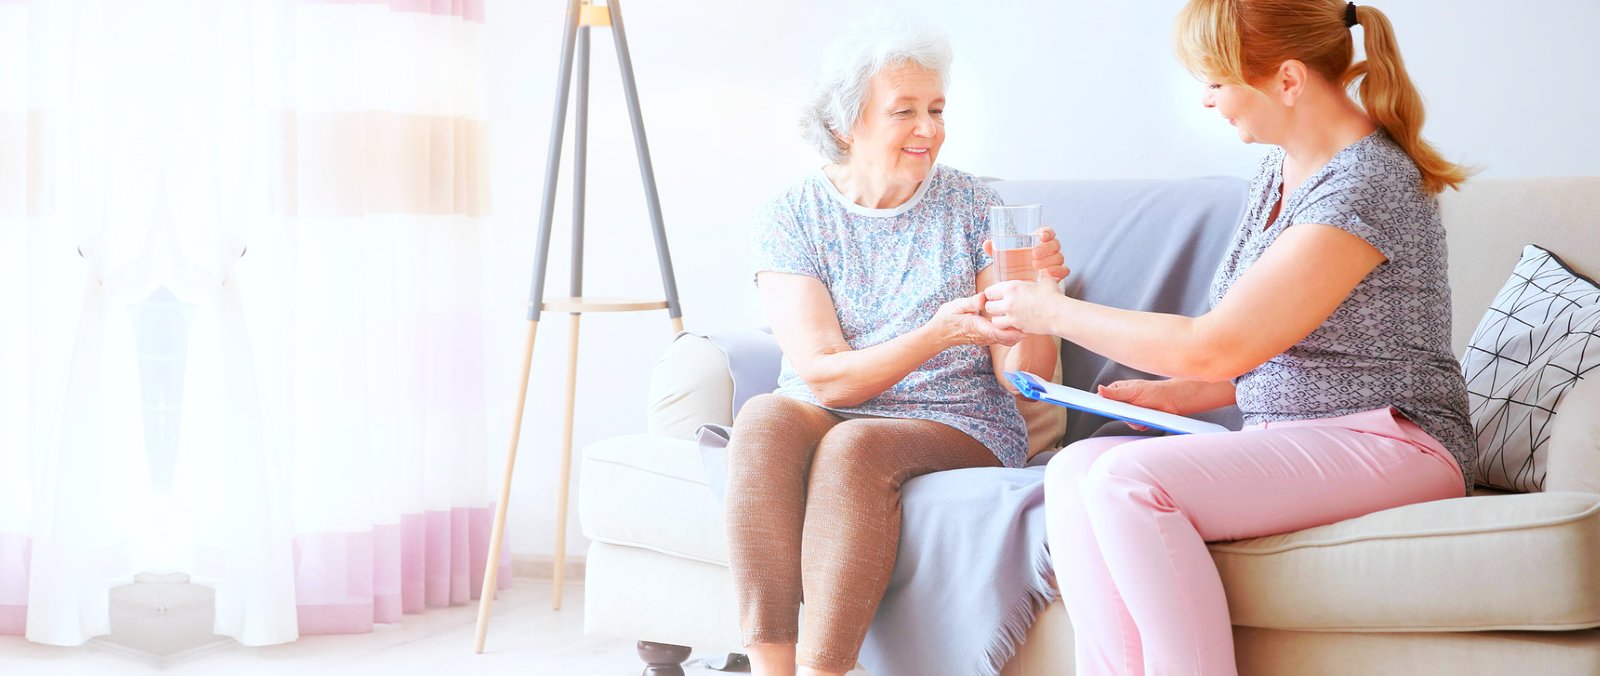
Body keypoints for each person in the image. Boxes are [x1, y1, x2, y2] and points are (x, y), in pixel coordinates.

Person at [982, 1, 1475, 674]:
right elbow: (1281, 344)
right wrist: (1186, 395)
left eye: (1216, 81)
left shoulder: (1363, 185)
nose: (1209, 102)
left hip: (1397, 441)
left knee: (1127, 483)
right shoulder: (1278, 173)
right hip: (1301, 432)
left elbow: (1218, 343)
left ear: (1289, 81)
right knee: (1072, 470)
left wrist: (1052, 312)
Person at [724, 15, 1067, 676]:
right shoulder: (791, 216)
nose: (930, 129)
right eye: (904, 111)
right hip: (832, 402)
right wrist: (939, 331)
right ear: (845, 125)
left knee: (856, 445)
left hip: (956, 419)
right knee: (763, 419)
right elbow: (825, 379)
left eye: (936, 109)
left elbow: (1020, 377)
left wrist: (1042, 298)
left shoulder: (976, 209)